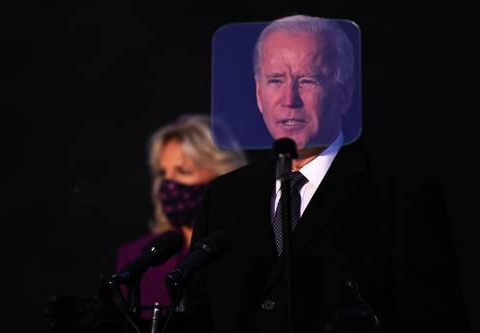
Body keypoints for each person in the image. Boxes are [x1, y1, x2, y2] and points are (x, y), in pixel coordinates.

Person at [184, 15, 468, 333]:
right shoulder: (223, 197)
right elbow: (198, 318)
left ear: (344, 93)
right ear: (258, 94)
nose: (289, 99)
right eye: (275, 80)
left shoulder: (403, 197)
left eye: (308, 80)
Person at [115, 114, 246, 319]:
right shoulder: (138, 258)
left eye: (182, 171)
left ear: (222, 173)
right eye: (162, 173)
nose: (168, 184)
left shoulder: (249, 247)